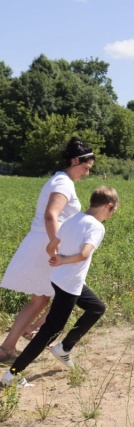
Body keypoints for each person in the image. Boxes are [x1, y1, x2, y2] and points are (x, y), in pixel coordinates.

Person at [1, 186, 119, 387]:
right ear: (108, 206)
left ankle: (64, 348)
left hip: (60, 278)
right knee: (49, 330)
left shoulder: (72, 219)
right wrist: (64, 260)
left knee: (96, 307)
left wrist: (57, 259)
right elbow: (84, 254)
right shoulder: (97, 227)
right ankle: (12, 375)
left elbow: (50, 247)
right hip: (69, 284)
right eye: (113, 211)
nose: (111, 215)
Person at [0, 137, 95, 362]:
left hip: (43, 243)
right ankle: (31, 335)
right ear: (75, 161)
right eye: (86, 167)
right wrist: (56, 248)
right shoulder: (63, 183)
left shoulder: (60, 180)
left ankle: (8, 347)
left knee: (41, 299)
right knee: (65, 293)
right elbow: (51, 215)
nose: (87, 173)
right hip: (47, 246)